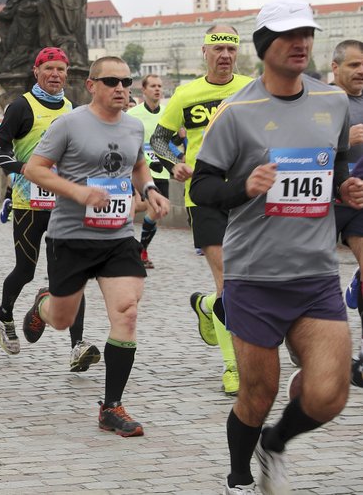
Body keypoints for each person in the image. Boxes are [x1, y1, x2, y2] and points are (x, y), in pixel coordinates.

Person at [190, 0, 363, 494]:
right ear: (265, 45)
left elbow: (334, 172)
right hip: (255, 276)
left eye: (307, 34)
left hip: (314, 275)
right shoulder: (237, 111)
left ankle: (276, 444)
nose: (301, 43)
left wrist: (343, 190)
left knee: (330, 394)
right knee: (258, 394)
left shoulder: (331, 102)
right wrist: (244, 187)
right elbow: (201, 189)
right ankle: (239, 478)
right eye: (289, 36)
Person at [21, 56, 170, 437]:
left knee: (127, 312)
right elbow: (34, 169)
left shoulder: (135, 125)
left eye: (126, 81)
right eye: (111, 82)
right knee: (62, 320)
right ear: (91, 85)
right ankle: (44, 302)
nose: (121, 88)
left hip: (118, 237)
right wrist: (78, 191)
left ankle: (111, 407)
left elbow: (138, 165)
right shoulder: (69, 124)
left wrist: (149, 190)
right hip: (71, 237)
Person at [149, 24, 253, 396]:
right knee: (228, 280)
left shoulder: (251, 89)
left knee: (248, 281)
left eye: (230, 48)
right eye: (217, 48)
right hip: (203, 195)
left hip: (247, 195)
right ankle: (232, 367)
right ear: (204, 53)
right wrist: (174, 162)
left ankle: (208, 305)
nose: (224, 55)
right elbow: (158, 138)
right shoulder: (187, 93)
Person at [0, 47, 97, 370]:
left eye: (61, 70)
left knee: (70, 273)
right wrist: (26, 169)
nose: (55, 74)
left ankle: (78, 345)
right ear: (36, 72)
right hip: (28, 202)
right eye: (48, 68)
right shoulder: (22, 106)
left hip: (62, 204)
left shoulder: (71, 108)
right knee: (25, 270)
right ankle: (5, 314)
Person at [330, 39, 363, 389]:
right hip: (323, 203)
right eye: (353, 65)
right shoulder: (322, 101)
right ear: (335, 67)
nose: (361, 71)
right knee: (314, 280)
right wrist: (343, 138)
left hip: (359, 200)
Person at [126, 74, 171, 269]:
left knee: (158, 211)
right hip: (138, 171)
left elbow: (175, 140)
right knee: (134, 207)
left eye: (160, 86)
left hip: (162, 173)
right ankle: (126, 247)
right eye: (153, 86)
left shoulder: (168, 114)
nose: (157, 89)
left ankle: (140, 247)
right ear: (143, 90)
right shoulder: (133, 115)